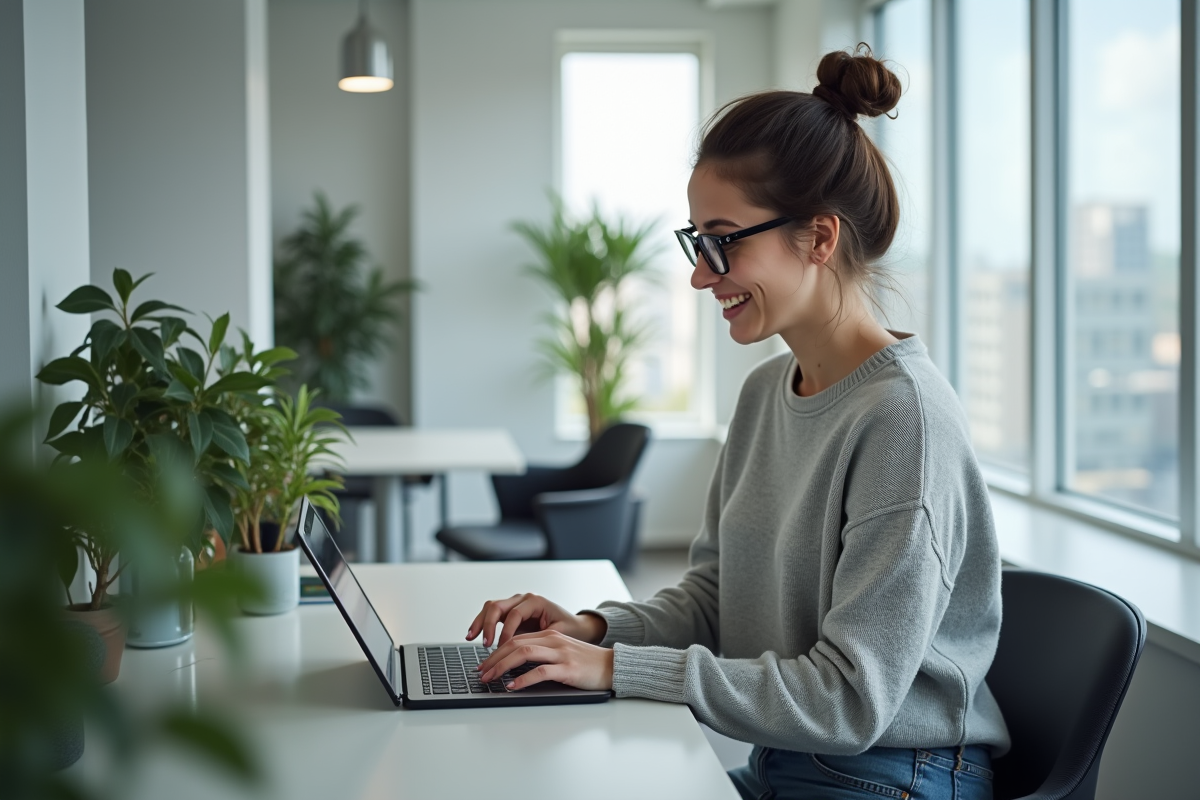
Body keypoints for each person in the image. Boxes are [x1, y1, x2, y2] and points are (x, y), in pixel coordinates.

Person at [467, 45, 1010, 800]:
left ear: (818, 239)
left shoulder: (903, 422)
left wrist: (616, 671)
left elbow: (850, 699)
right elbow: (715, 599)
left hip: (893, 774)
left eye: (722, 241)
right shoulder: (766, 393)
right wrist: (591, 631)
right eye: (697, 242)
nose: (699, 274)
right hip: (788, 761)